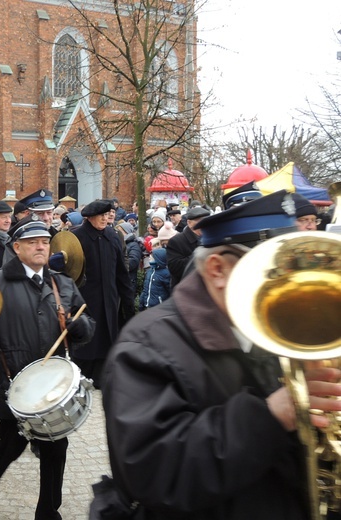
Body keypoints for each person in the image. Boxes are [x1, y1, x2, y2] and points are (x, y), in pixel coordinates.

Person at [98, 190, 341, 520]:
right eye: (273, 268)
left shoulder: (284, 327)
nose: (289, 282)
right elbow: (155, 474)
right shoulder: (146, 344)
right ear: (217, 269)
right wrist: (271, 416)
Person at [0, 218, 95, 520]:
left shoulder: (62, 283)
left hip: (53, 386)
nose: (41, 246)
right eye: (32, 242)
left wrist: (78, 325)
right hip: (14, 381)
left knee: (56, 448)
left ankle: (48, 511)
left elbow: (87, 325)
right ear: (17, 248)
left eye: (44, 241)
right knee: (12, 443)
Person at [71, 199, 135, 386]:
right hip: (85, 299)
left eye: (107, 216)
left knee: (107, 337)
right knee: (87, 339)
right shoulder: (77, 237)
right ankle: (81, 376)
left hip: (110, 299)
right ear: (90, 217)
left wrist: (128, 299)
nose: (105, 219)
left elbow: (121, 271)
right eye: (101, 216)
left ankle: (102, 375)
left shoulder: (112, 235)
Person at [165, 205, 210, 288]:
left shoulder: (210, 238)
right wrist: (200, 255)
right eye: (198, 221)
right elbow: (175, 269)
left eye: (205, 220)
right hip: (186, 291)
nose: (203, 224)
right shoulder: (176, 241)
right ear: (189, 223)